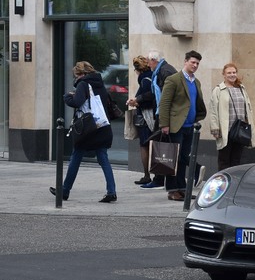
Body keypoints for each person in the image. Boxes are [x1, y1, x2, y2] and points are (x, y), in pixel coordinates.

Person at [50, 61, 117, 203]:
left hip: (89, 129)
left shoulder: (83, 84)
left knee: (76, 156)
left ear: (82, 74)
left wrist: (67, 97)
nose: (76, 78)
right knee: (103, 159)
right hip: (103, 126)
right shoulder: (99, 83)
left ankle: (64, 191)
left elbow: (76, 102)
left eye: (77, 75)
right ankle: (111, 191)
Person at [158, 50, 207, 201]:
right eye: (192, 62)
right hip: (175, 126)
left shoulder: (195, 81)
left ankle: (182, 189)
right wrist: (164, 124)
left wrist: (197, 118)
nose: (195, 65)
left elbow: (196, 102)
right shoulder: (174, 79)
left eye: (197, 63)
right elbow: (164, 103)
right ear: (185, 61)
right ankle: (172, 190)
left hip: (189, 126)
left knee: (183, 157)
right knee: (174, 158)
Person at [128, 50, 178, 189]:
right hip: (158, 115)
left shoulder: (156, 74)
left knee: (153, 145)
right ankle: (158, 178)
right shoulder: (157, 73)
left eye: (150, 61)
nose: (149, 64)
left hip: (153, 117)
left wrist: (138, 100)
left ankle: (154, 178)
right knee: (160, 145)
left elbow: (158, 97)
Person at [210, 63, 255, 170]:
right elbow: (213, 111)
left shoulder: (241, 88)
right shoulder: (218, 90)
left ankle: (234, 183)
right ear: (224, 74)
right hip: (225, 131)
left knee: (236, 160)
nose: (232, 75)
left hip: (240, 131)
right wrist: (215, 129)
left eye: (234, 72)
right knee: (224, 160)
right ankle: (223, 183)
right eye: (229, 73)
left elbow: (248, 109)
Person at [126, 56, 156, 185]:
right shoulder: (153, 75)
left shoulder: (145, 79)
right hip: (152, 116)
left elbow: (150, 97)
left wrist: (136, 101)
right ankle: (154, 174)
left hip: (146, 117)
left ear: (138, 69)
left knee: (144, 145)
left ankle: (147, 175)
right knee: (151, 145)